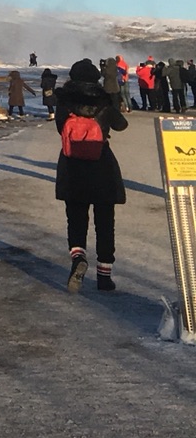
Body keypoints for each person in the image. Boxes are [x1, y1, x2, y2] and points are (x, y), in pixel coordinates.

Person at [54, 56, 127, 293]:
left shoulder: (64, 101)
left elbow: (60, 129)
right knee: (105, 222)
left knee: (76, 219)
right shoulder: (103, 100)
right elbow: (121, 125)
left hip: (72, 165)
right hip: (102, 166)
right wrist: (111, 101)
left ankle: (78, 258)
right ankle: (104, 277)